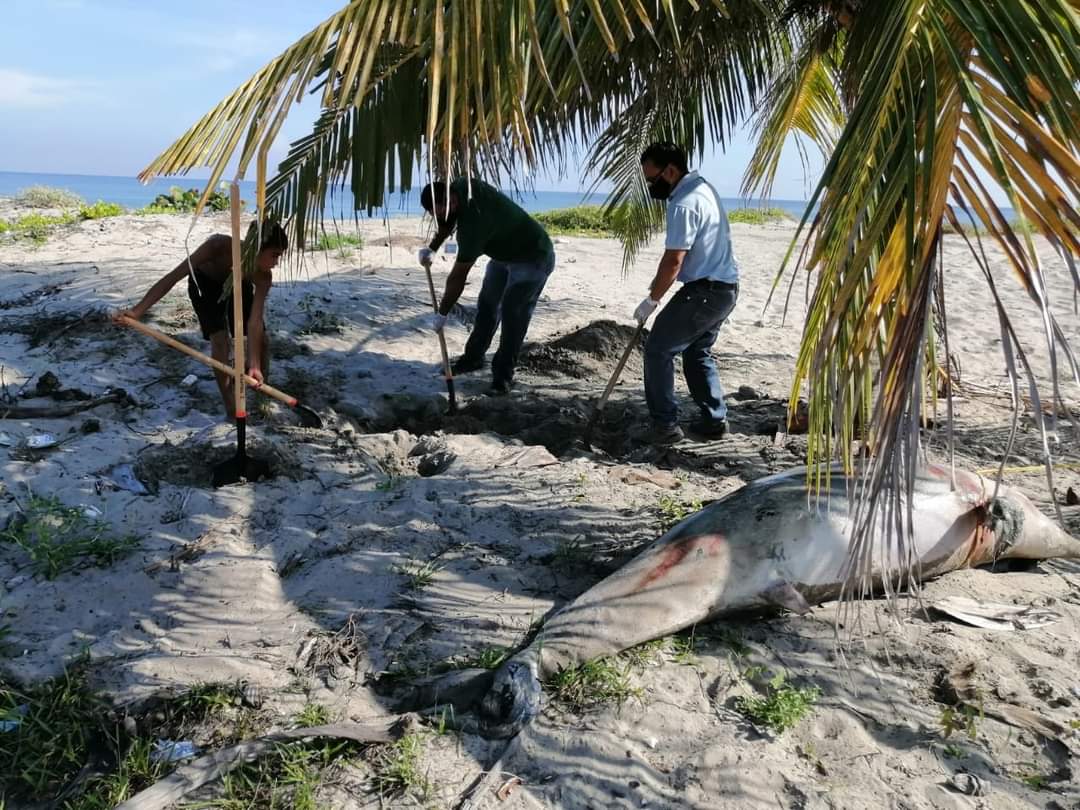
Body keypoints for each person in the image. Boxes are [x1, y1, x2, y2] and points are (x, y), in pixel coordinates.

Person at [113, 222, 287, 418]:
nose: (276, 262)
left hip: (238, 285)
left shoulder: (264, 277)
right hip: (205, 285)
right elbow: (173, 277)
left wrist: (254, 363)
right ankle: (231, 406)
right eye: (274, 255)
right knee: (221, 342)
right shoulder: (217, 246)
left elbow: (254, 321)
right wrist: (137, 311)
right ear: (256, 248)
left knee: (262, 339)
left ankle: (261, 389)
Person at [633, 142, 739, 445]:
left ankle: (664, 426)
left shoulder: (684, 203)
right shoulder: (703, 187)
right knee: (696, 352)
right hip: (726, 287)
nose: (652, 186)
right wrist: (657, 286)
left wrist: (653, 299)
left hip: (706, 290)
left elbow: (674, 260)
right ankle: (714, 420)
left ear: (670, 170)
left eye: (653, 180)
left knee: (658, 349)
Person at [418, 177, 556, 395]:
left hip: (533, 255)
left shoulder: (473, 225)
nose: (450, 207)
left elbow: (458, 277)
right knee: (487, 305)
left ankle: (502, 378)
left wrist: (442, 313)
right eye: (441, 208)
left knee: (513, 313)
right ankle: (473, 359)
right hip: (503, 254)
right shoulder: (463, 186)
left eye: (450, 202)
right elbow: (448, 220)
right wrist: (432, 248)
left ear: (451, 192)